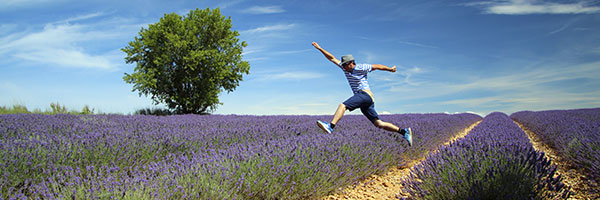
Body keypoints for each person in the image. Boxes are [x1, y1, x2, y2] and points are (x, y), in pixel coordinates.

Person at [312, 42, 412, 146]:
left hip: (364, 95)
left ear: (351, 63)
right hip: (366, 100)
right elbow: (331, 58)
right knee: (378, 123)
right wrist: (320, 48)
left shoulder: (361, 67)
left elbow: (377, 66)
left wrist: (390, 69)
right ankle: (404, 132)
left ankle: (330, 127)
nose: (343, 68)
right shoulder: (344, 67)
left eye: (345, 65)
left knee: (343, 105)